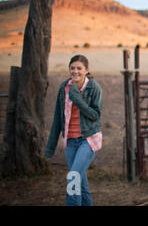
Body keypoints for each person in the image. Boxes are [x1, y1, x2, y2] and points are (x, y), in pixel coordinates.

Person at [44, 55, 103, 206]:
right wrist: (50, 147)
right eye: (72, 68)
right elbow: (58, 118)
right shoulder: (64, 88)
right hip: (70, 141)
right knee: (81, 184)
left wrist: (77, 98)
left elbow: (95, 116)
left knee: (73, 177)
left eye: (79, 68)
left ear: (86, 70)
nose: (75, 71)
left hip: (89, 139)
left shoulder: (94, 88)